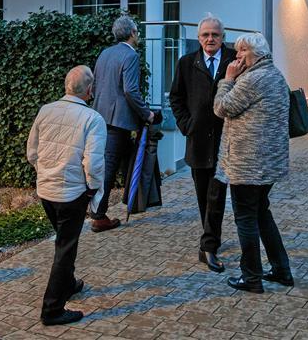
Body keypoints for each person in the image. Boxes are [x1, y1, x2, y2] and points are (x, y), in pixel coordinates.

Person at [26, 66, 106, 326]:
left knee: (63, 241)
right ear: (90, 90)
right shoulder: (92, 119)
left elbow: (32, 152)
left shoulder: (45, 110)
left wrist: (44, 171)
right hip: (72, 193)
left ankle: (68, 284)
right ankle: (52, 309)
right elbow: (93, 164)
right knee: (65, 249)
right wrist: (92, 189)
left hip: (46, 190)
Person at [213, 33, 292, 293]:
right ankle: (281, 270)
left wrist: (227, 79)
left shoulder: (251, 79)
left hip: (248, 163)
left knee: (246, 218)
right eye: (237, 51)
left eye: (242, 51)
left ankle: (251, 278)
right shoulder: (275, 74)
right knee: (261, 213)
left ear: (256, 53)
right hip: (267, 162)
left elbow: (221, 108)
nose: (237, 57)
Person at [169, 15, 235, 273]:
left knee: (217, 194)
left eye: (215, 35)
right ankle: (212, 236)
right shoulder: (187, 63)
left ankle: (208, 246)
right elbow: (176, 97)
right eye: (205, 35)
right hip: (197, 141)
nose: (210, 39)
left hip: (225, 140)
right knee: (202, 195)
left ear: (222, 37)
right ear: (198, 38)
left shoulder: (233, 61)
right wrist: (187, 124)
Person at [90, 15, 155, 232]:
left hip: (101, 117)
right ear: (132, 33)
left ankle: (135, 203)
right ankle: (98, 215)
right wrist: (147, 114)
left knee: (120, 164)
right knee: (109, 168)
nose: (138, 35)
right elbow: (130, 90)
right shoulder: (130, 55)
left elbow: (96, 85)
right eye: (137, 31)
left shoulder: (105, 53)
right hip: (119, 122)